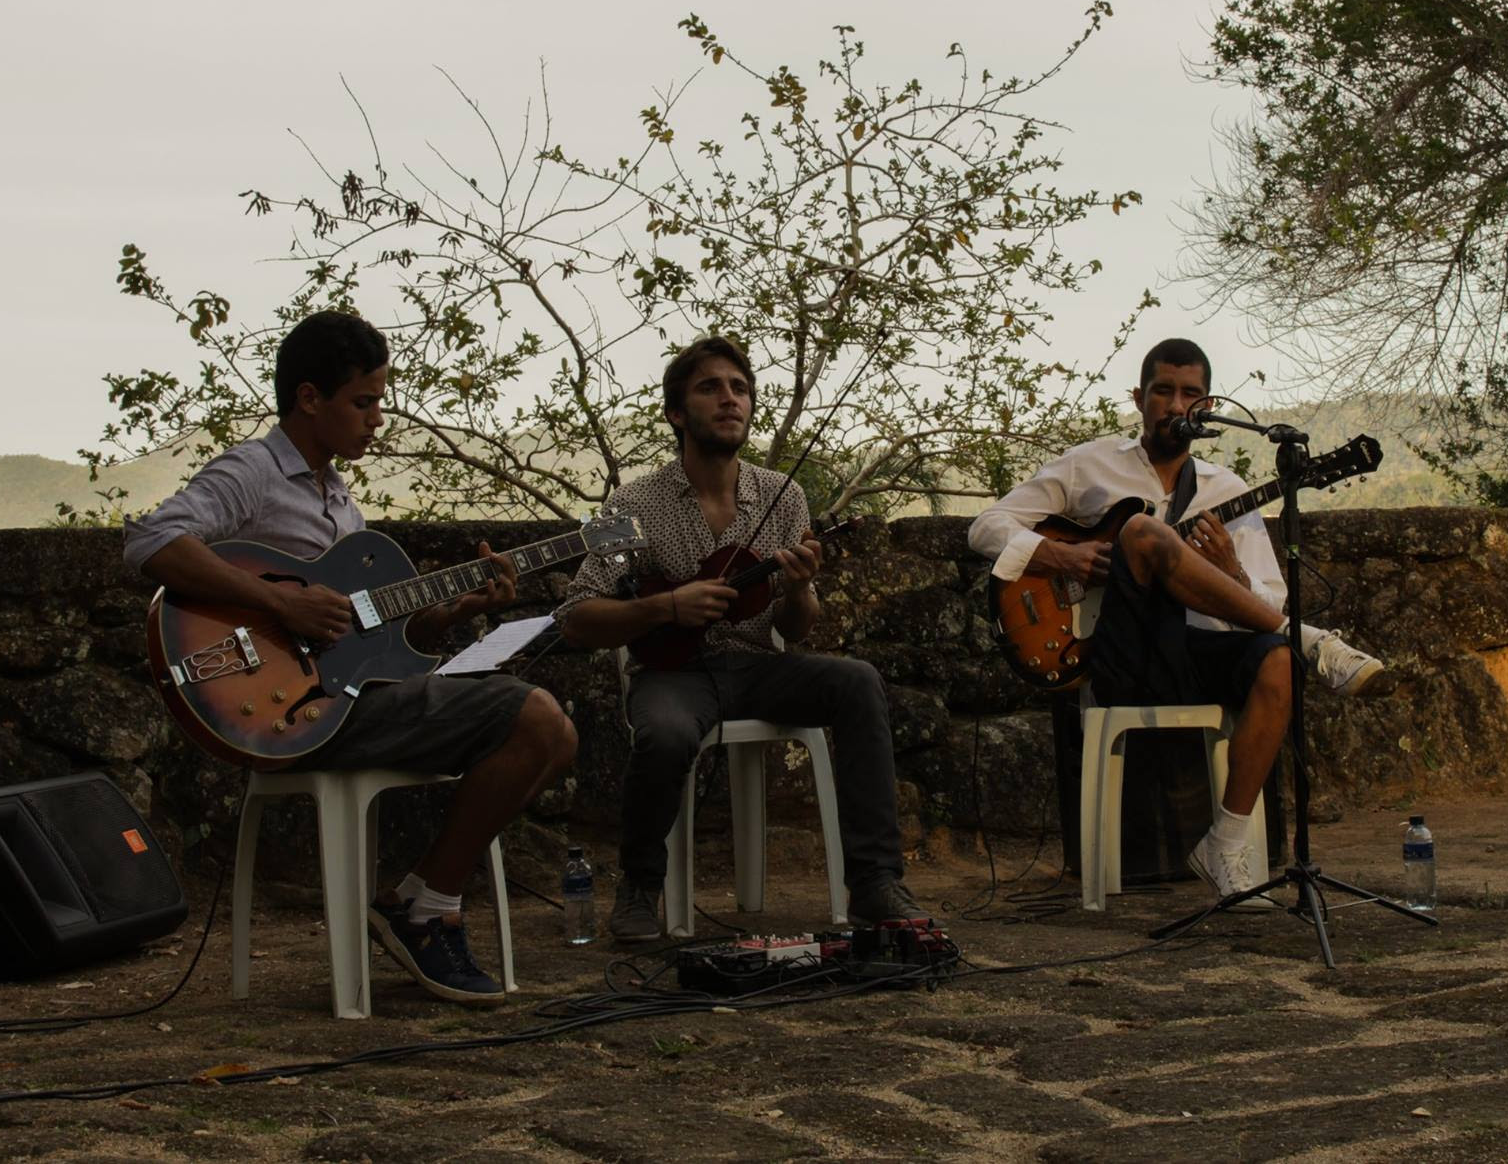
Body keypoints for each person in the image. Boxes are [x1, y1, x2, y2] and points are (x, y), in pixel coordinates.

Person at [125, 310, 576, 1004]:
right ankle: (423, 910)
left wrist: (457, 608)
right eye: (364, 402)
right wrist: (281, 605)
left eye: (378, 403)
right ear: (311, 398)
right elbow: (153, 542)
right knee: (536, 718)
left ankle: (421, 896)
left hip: (347, 699)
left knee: (555, 732)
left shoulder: (338, 496)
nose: (376, 420)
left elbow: (368, 627)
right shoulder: (254, 470)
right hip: (295, 712)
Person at [967, 337, 1389, 900]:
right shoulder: (1089, 466)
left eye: (1190, 394)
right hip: (1122, 655)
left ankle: (1227, 842)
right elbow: (986, 527)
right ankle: (1315, 641)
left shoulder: (1227, 491)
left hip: (1195, 655)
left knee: (1278, 663)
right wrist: (1063, 556)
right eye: (1163, 391)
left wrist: (1231, 570)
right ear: (1139, 398)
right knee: (1141, 531)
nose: (1175, 404)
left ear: (1208, 408)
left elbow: (1266, 598)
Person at [555, 336, 922, 941]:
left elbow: (794, 628)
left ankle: (877, 883)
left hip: (757, 667)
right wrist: (666, 605)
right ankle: (641, 887)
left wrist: (802, 590)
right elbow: (575, 616)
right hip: (674, 676)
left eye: (740, 388)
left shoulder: (784, 495)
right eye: (710, 388)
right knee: (667, 731)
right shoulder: (633, 503)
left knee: (857, 681)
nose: (730, 399)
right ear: (677, 413)